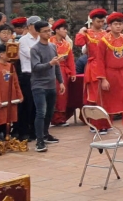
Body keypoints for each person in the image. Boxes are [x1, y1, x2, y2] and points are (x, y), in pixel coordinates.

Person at [29, 21, 65, 152]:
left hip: (51, 84)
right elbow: (36, 67)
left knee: (50, 112)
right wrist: (50, 63)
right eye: (45, 31)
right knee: (41, 112)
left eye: (49, 31)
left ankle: (45, 133)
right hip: (39, 85)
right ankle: (39, 140)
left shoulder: (52, 46)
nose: (48, 33)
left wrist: (61, 81)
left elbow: (57, 66)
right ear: (38, 32)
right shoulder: (35, 49)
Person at [96, 12, 123, 124]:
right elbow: (100, 61)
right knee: (108, 99)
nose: (118, 26)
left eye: (120, 24)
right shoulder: (103, 41)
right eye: (115, 24)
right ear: (109, 25)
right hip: (109, 73)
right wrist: (103, 79)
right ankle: (105, 124)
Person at [50, 20, 76, 126]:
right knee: (55, 94)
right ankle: (54, 118)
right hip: (52, 70)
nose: (66, 31)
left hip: (63, 71)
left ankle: (61, 117)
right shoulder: (50, 42)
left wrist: (73, 73)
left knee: (63, 95)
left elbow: (70, 60)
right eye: (63, 29)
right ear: (56, 30)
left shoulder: (66, 43)